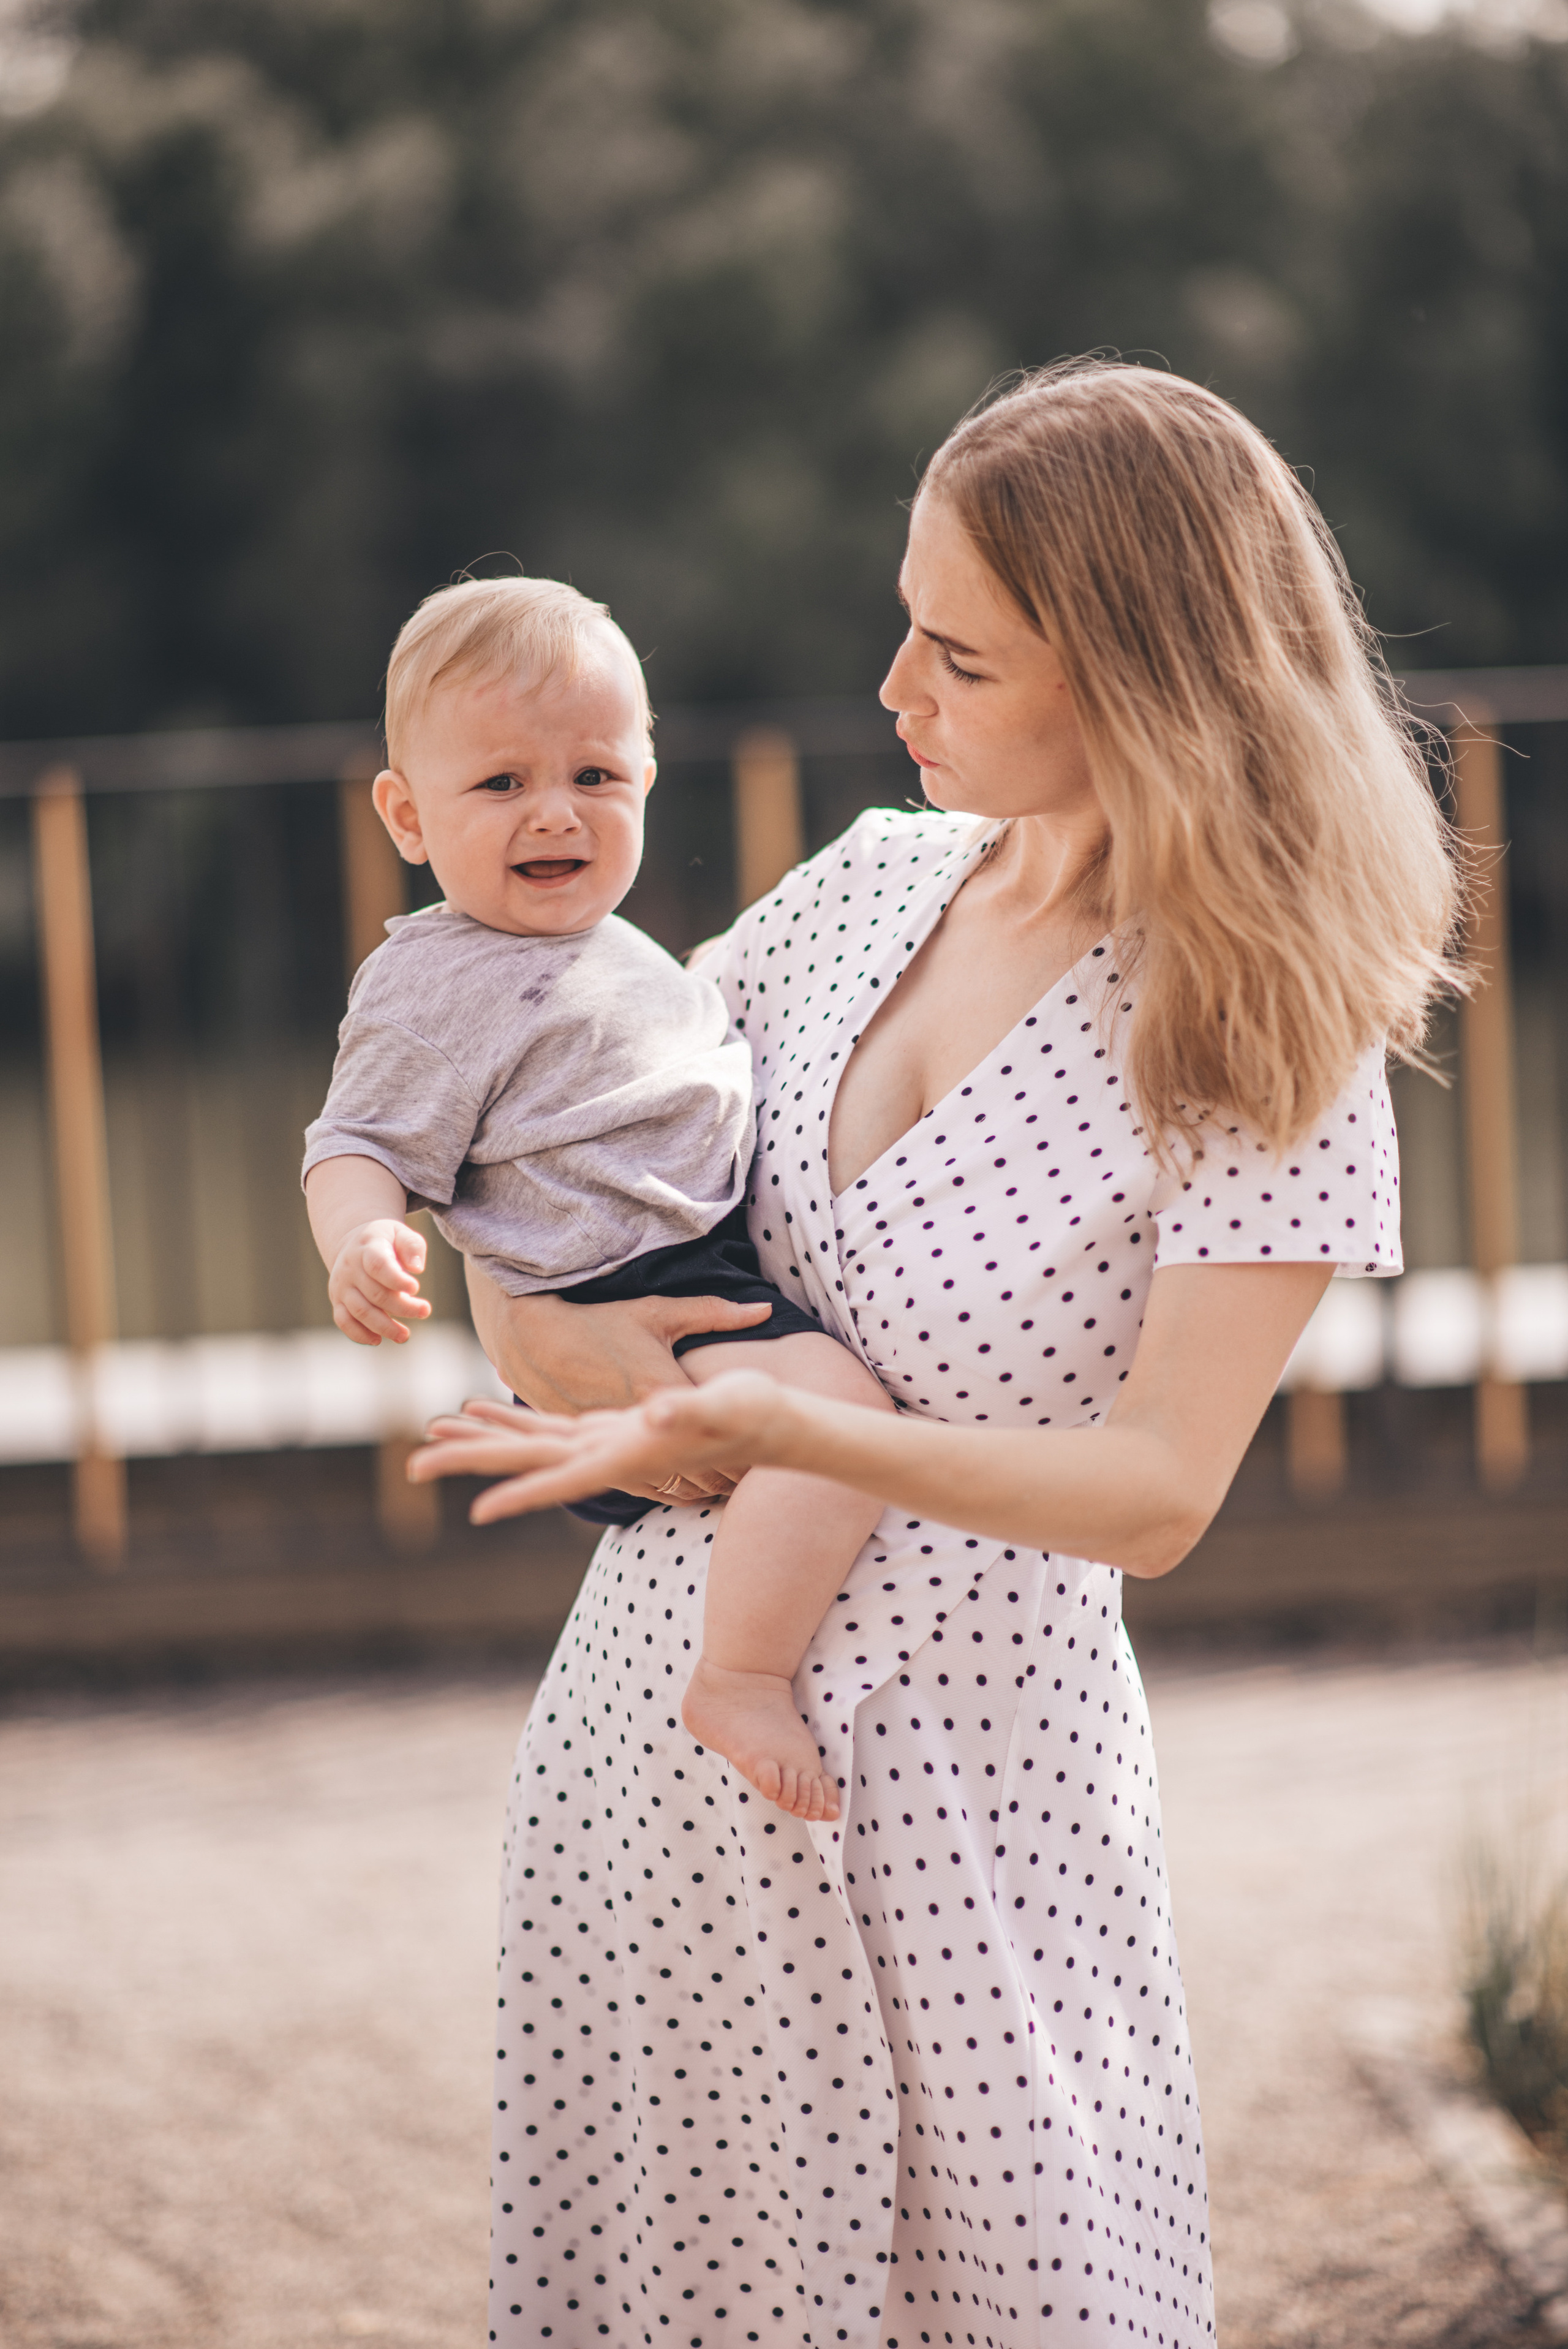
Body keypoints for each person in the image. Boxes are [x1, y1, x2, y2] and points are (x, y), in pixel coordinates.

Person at [410, 360, 1458, 2348]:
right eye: (907, 618)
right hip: (651, 1746)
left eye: (960, 656)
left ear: (1145, 683)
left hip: (970, 1807)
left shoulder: (1264, 1033)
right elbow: (555, 1183)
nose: (897, 687)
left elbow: (1158, 1494)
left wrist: (783, 1431)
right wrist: (537, 1326)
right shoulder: (861, 886)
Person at [301, 575, 897, 1821]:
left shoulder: (623, 950)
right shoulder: (436, 980)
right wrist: (363, 1236)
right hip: (618, 1294)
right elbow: (356, 1137)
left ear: (645, 779)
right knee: (840, 1417)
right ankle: (737, 1674)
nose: (554, 813)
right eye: (502, 784)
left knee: (824, 1422)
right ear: (407, 817)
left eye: (595, 776)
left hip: (694, 1279)